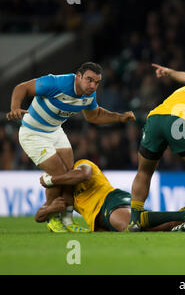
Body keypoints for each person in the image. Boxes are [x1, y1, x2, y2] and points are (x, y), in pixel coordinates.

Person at [6, 62, 136, 233]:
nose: (92, 85)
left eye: (96, 82)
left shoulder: (90, 95)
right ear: (78, 76)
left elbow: (94, 116)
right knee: (61, 173)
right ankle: (52, 218)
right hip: (33, 133)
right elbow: (21, 88)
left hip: (55, 131)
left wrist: (119, 118)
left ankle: (67, 220)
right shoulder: (55, 83)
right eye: (89, 80)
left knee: (70, 174)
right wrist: (15, 107)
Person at [126, 67, 185, 232]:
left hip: (155, 118)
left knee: (144, 172)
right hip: (180, 122)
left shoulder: (182, 90)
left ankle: (134, 220)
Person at [35, 159, 185, 232]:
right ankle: (179, 220)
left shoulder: (82, 164)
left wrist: (51, 179)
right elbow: (38, 217)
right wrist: (50, 209)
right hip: (100, 222)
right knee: (147, 229)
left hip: (110, 201)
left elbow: (83, 175)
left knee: (130, 225)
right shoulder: (62, 190)